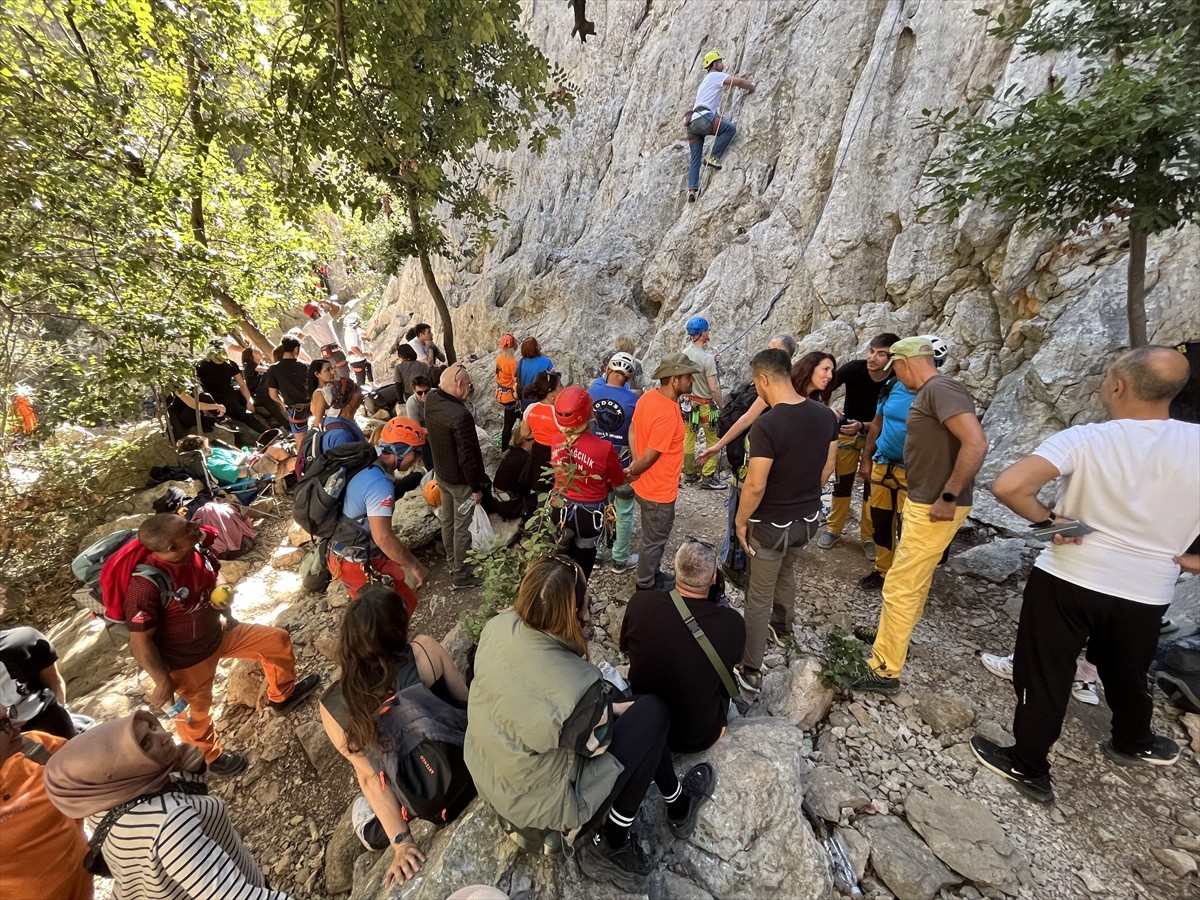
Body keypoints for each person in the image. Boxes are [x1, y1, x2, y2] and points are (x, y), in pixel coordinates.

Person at [970, 346, 1200, 803]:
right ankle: (1134, 742)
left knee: (1045, 671)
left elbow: (1010, 485)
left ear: (1118, 386)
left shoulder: (1089, 437)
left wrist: (1050, 524)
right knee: (1127, 670)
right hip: (1148, 586)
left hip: (1070, 574)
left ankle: (1028, 764)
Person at [465, 557, 714, 893]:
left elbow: (537, 703)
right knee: (654, 715)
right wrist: (614, 709)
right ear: (572, 611)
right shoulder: (576, 685)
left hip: (495, 785)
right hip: (540, 823)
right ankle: (614, 840)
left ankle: (677, 800)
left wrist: (610, 706)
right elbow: (596, 744)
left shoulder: (496, 628)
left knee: (635, 710)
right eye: (585, 602)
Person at [122, 514, 320, 775]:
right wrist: (162, 681)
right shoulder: (145, 586)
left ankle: (282, 696)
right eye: (188, 529)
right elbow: (140, 642)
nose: (195, 526)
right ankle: (208, 757)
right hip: (185, 659)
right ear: (172, 548)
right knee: (196, 714)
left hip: (219, 633)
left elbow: (215, 577)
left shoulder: (198, 549)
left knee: (275, 641)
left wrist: (223, 594)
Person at [852, 337, 988, 694]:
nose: (894, 375)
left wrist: (948, 495)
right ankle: (891, 636)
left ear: (906, 363)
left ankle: (884, 669)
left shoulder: (939, 390)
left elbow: (975, 442)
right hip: (925, 498)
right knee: (915, 576)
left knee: (901, 581)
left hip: (935, 504)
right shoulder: (933, 391)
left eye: (894, 368)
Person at [319, 585, 471, 889]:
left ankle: (378, 833)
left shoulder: (334, 707)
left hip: (425, 802)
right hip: (471, 766)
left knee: (360, 810)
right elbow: (465, 702)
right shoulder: (424, 650)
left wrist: (402, 844)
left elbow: (370, 779)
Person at [42, 711, 286, 900]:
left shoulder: (101, 802)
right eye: (145, 744)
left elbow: (182, 801)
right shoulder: (170, 826)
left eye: (152, 726)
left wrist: (189, 769)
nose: (165, 735)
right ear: (113, 770)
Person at [733, 349, 838, 694]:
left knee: (758, 596)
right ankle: (784, 628)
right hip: (807, 519)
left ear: (763, 380)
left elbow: (756, 483)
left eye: (755, 383)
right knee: (788, 572)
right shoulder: (825, 416)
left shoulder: (767, 424)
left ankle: (750, 666)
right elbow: (826, 469)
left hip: (771, 524)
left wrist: (740, 520)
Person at [620, 540, 744, 752]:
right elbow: (734, 660)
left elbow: (625, 648)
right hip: (697, 737)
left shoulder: (640, 603)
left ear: (675, 571)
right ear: (714, 578)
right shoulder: (732, 622)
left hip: (642, 722)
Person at [819, 334, 900, 561]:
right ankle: (833, 529)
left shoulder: (896, 379)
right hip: (847, 434)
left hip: (877, 436)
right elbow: (824, 386)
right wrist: (828, 409)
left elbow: (889, 415)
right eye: (871, 351)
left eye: (880, 353)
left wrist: (861, 425)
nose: (872, 357)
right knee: (841, 484)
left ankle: (869, 537)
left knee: (872, 489)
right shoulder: (855, 369)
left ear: (891, 357)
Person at [328, 430, 431, 605]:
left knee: (371, 615)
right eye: (416, 452)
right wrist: (415, 566)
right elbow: (383, 538)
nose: (417, 458)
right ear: (401, 451)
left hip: (339, 553)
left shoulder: (368, 464)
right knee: (402, 607)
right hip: (359, 561)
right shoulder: (380, 484)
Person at [0, 706, 92, 900]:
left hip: (83, 884)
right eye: (4, 724)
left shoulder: (37, 747)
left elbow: (95, 775)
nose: (19, 724)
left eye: (10, 715)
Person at [627, 353, 699, 591]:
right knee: (654, 539)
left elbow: (634, 428)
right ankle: (646, 583)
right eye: (688, 377)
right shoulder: (668, 411)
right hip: (658, 491)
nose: (691, 381)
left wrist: (635, 464)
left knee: (652, 536)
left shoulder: (648, 398)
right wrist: (635, 469)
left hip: (646, 486)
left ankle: (653, 573)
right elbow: (652, 455)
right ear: (674, 379)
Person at [550, 386, 626, 579]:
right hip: (588, 516)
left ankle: (560, 597)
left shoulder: (556, 440)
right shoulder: (604, 448)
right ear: (589, 413)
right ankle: (578, 599)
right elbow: (617, 481)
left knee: (560, 565)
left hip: (560, 508)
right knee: (582, 568)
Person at [425, 363, 487, 591]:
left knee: (448, 520)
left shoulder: (431, 400)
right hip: (461, 483)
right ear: (459, 384)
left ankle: (452, 562)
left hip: (442, 475)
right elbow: (468, 457)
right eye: (469, 385)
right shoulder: (460, 415)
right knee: (462, 526)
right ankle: (461, 575)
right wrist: (476, 487)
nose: (470, 389)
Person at [588, 352, 641, 574]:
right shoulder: (634, 401)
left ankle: (596, 554)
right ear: (628, 379)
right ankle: (620, 558)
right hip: (623, 462)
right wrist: (637, 463)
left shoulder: (591, 392)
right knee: (625, 509)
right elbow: (635, 433)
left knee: (598, 506)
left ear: (608, 370)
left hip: (595, 459)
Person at [685, 50, 755, 202]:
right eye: (720, 61)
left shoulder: (704, 83)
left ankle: (692, 190)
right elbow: (738, 82)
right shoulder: (715, 76)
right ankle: (713, 157)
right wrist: (752, 87)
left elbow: (706, 104)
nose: (723, 63)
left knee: (695, 158)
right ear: (715, 64)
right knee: (729, 129)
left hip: (693, 123)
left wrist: (717, 117)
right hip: (704, 119)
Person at [0, 626, 74, 738]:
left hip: (51, 720)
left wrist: (63, 712)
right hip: (7, 742)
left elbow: (54, 680)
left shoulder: (24, 640)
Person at [680, 316, 726, 490]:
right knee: (713, 439)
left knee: (688, 438)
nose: (709, 332)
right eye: (707, 330)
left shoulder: (684, 354)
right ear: (701, 333)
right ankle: (708, 477)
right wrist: (723, 406)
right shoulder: (707, 359)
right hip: (706, 406)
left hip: (689, 405)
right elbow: (714, 388)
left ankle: (690, 474)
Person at [196, 342, 261, 441]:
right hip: (219, 398)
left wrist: (249, 400)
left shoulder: (230, 364)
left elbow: (242, 384)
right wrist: (204, 406)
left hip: (231, 392)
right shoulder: (202, 365)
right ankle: (266, 433)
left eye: (224, 351)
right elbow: (195, 385)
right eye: (221, 351)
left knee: (258, 401)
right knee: (244, 414)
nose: (224, 353)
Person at [516, 370, 563, 497]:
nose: (562, 388)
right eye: (560, 385)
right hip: (556, 461)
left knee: (541, 498)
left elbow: (524, 434)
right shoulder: (559, 413)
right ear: (550, 393)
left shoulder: (531, 409)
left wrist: (538, 434)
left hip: (536, 460)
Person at [176, 434, 289, 486]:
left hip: (251, 463)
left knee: (285, 445)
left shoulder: (215, 452)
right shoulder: (213, 465)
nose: (209, 447)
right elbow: (242, 473)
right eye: (205, 447)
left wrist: (245, 458)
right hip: (251, 476)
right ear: (199, 451)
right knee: (276, 450)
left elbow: (239, 454)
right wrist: (246, 460)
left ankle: (299, 474)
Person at [263, 337, 314, 448]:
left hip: (296, 410)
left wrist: (283, 404)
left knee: (300, 441)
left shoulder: (273, 369)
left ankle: (304, 462)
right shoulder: (305, 365)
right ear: (296, 349)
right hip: (313, 406)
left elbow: (273, 394)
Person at [495, 333, 521, 450]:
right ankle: (504, 448)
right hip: (510, 397)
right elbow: (515, 382)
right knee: (508, 425)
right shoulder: (512, 363)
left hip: (501, 393)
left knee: (511, 422)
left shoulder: (500, 359)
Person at [516, 337, 555, 411]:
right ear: (535, 347)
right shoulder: (547, 362)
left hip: (525, 403)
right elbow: (554, 381)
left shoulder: (520, 363)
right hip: (542, 402)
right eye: (536, 342)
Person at [405, 375, 434, 468]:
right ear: (414, 392)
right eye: (420, 392)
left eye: (426, 391)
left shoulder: (435, 394)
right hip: (423, 433)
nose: (424, 395)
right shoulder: (412, 403)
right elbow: (416, 428)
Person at [343, 312, 373, 385]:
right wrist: (365, 354)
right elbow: (354, 349)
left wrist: (373, 325)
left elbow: (366, 335)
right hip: (357, 360)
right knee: (361, 380)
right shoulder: (352, 333)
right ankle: (362, 392)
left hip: (358, 359)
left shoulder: (354, 329)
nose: (359, 322)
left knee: (368, 366)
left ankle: (372, 386)